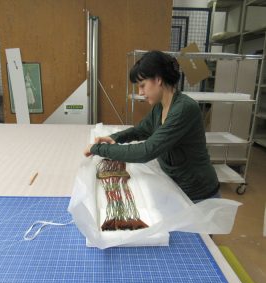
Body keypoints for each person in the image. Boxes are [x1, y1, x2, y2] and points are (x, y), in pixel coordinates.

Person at [84, 50, 220, 202]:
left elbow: (146, 151)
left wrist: (97, 149)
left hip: (199, 195)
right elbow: (141, 130)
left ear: (158, 79)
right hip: (178, 189)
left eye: (142, 85)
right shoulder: (160, 107)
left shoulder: (184, 109)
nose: (140, 92)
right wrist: (113, 138)